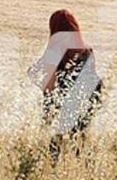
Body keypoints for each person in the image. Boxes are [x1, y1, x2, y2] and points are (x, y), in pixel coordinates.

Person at [36, 10, 103, 162]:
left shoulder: (54, 51)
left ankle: (52, 169)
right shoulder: (87, 50)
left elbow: (49, 86)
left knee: (55, 141)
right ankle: (82, 168)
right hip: (90, 98)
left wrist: (48, 112)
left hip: (66, 99)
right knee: (79, 137)